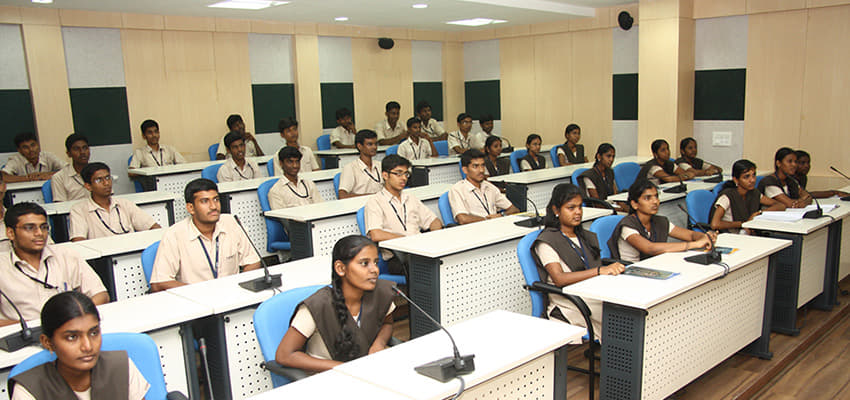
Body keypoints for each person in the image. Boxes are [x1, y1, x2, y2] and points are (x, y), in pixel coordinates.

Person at [274, 235, 395, 372]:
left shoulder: (380, 292)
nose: (375, 270)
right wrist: (342, 368)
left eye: (376, 262)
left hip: (368, 371)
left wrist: (379, 343)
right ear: (341, 268)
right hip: (329, 378)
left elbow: (387, 324)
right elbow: (284, 355)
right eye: (364, 263)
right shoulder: (318, 305)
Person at [8, 291, 149, 400]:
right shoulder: (29, 390)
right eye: (72, 337)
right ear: (48, 343)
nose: (87, 346)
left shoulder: (122, 367)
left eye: (93, 333)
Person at [533, 183, 625, 340]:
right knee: (622, 312)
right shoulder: (547, 241)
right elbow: (559, 279)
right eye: (571, 208)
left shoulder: (584, 236)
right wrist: (599, 271)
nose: (577, 212)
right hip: (569, 299)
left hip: (591, 290)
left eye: (580, 207)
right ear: (556, 210)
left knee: (625, 302)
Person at [0, 203, 108, 325]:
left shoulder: (66, 255)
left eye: (44, 227)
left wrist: (78, 318)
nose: (39, 233)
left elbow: (101, 295)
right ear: (10, 233)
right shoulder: (2, 267)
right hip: (23, 336)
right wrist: (29, 326)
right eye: (30, 228)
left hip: (71, 328)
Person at [149, 178, 261, 291]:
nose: (213, 206)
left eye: (216, 199)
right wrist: (202, 293)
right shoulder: (174, 235)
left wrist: (239, 287)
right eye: (205, 201)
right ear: (190, 208)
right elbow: (159, 283)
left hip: (233, 294)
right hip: (195, 300)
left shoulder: (231, 223)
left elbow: (252, 262)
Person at [364, 155, 443, 272]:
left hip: (421, 249)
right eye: (398, 174)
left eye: (406, 174)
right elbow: (376, 234)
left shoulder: (410, 198)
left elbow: (434, 221)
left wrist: (434, 238)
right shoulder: (375, 202)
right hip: (399, 257)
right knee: (435, 268)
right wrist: (407, 240)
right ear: (385, 175)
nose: (404, 178)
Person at [609, 179, 715, 263]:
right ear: (634, 204)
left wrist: (705, 237)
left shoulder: (659, 221)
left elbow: (691, 235)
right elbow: (650, 248)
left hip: (654, 267)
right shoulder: (627, 226)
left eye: (656, 196)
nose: (655, 202)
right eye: (647, 198)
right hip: (631, 273)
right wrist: (694, 245)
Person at [68, 163, 160, 241]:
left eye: (108, 178)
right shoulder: (79, 210)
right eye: (99, 180)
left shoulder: (124, 204)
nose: (106, 183)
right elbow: (78, 241)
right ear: (88, 186)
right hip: (101, 259)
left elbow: (154, 227)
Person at [710, 159, 785, 233]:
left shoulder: (754, 193)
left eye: (754, 175)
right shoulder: (727, 196)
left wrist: (759, 213)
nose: (752, 180)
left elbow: (780, 205)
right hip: (729, 235)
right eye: (746, 177)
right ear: (736, 180)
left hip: (746, 235)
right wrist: (743, 224)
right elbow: (715, 224)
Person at [449, 149, 520, 224]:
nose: (481, 170)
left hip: (496, 227)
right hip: (474, 231)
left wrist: (501, 215)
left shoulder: (489, 187)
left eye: (483, 165)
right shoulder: (457, 189)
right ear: (465, 170)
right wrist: (486, 219)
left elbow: (514, 209)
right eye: (475, 166)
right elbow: (462, 219)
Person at [1, 132, 65, 183]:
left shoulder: (48, 156)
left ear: (38, 145)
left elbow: (69, 169)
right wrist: (27, 178)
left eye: (33, 145)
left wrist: (48, 174)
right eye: (25, 147)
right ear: (19, 150)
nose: (31, 149)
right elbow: (3, 177)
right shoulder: (16, 160)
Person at [578, 143, 624, 211]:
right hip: (601, 209)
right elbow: (597, 204)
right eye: (608, 156)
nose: (611, 159)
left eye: (613, 156)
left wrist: (622, 206)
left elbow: (615, 194)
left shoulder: (610, 172)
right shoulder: (589, 176)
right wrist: (617, 209)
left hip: (612, 205)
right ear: (599, 156)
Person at [338, 130, 382, 199]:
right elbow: (342, 196)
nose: (374, 147)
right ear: (359, 146)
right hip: (360, 205)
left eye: (375, 144)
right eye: (370, 144)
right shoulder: (350, 168)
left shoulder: (380, 165)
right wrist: (372, 196)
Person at [51, 133, 91, 202]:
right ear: (68, 154)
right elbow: (60, 206)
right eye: (76, 149)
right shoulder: (59, 178)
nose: (82, 152)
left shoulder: (99, 172)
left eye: (85, 148)